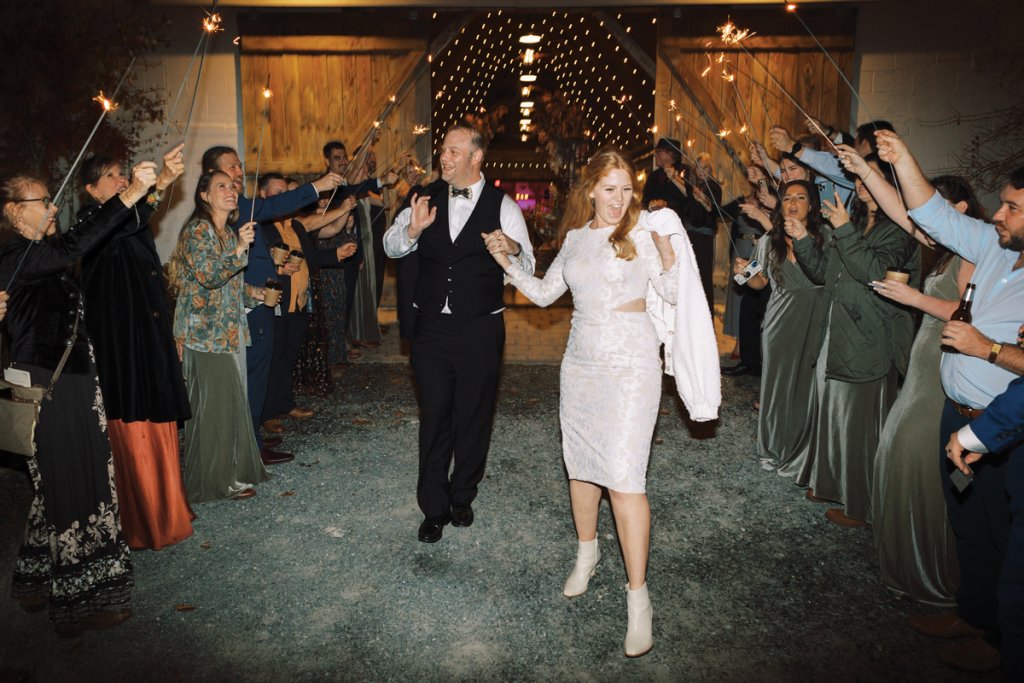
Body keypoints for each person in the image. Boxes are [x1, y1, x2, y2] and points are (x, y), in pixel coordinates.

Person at [486, 146, 718, 657]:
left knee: (626, 479)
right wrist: (506, 263)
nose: (619, 200)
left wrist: (671, 254)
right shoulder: (573, 240)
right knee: (581, 468)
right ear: (591, 189)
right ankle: (586, 554)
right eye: (609, 189)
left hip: (633, 365)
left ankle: (639, 599)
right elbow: (546, 295)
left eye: (626, 190)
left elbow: (676, 296)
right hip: (581, 364)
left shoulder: (641, 233)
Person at [878, 129, 1024, 672]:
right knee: (969, 528)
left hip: (1004, 430)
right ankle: (972, 613)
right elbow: (932, 215)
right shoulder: (993, 245)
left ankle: (999, 645)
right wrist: (902, 158)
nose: (999, 215)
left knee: (1005, 538)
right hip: (954, 412)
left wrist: (986, 349)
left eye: (1011, 207)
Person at [1, 162, 157, 635]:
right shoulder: (15, 258)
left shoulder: (42, 255)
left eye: (51, 199)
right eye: (40, 201)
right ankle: (78, 601)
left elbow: (86, 237)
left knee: (62, 485)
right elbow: (78, 243)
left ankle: (31, 581)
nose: (51, 207)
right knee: (73, 489)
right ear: (13, 212)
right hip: (50, 389)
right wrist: (127, 195)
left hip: (76, 386)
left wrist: (144, 196)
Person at [383, 124, 535, 544]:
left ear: (476, 157)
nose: (444, 158)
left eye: (453, 151)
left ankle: (463, 493)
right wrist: (412, 230)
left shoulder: (503, 205)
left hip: (481, 327)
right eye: (443, 150)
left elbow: (529, 268)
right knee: (435, 415)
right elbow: (390, 246)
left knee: (474, 414)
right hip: (431, 327)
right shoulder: (424, 197)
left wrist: (514, 249)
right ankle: (433, 506)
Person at [853, 169, 984, 607]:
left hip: (944, 365)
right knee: (895, 451)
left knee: (915, 458)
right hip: (924, 359)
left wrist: (913, 299)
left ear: (960, 210)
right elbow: (906, 215)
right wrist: (868, 171)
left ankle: (935, 577)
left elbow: (967, 314)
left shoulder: (973, 252)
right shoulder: (947, 248)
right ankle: (903, 566)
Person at [788, 154, 920, 527]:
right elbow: (824, 274)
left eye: (870, 178)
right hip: (837, 327)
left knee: (860, 424)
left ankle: (861, 506)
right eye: (859, 179)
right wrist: (802, 241)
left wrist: (843, 230)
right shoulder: (857, 223)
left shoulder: (902, 229)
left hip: (870, 336)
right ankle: (831, 485)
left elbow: (876, 275)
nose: (861, 185)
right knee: (833, 412)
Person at [77, 145, 194, 551]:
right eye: (111, 176)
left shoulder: (126, 218)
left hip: (147, 336)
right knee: (136, 420)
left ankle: (169, 506)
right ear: (91, 190)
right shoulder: (88, 223)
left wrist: (157, 188)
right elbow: (123, 223)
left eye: (122, 174)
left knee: (160, 415)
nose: (122, 180)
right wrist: (159, 183)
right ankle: (146, 518)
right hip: (121, 347)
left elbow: (134, 219)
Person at [200, 145, 341, 458]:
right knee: (250, 376)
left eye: (238, 168)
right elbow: (277, 204)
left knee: (259, 374)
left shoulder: (237, 208)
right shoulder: (222, 216)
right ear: (212, 177)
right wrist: (316, 187)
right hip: (246, 307)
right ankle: (249, 447)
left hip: (262, 301)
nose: (238, 174)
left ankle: (254, 439)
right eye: (231, 169)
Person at [168, 171, 269, 502]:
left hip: (227, 335)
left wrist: (255, 294)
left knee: (229, 407)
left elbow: (228, 289)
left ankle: (232, 473)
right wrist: (241, 247)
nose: (231, 191)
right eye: (221, 187)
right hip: (203, 336)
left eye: (233, 186)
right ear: (204, 196)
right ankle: (211, 483)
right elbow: (209, 277)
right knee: (212, 412)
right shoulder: (199, 231)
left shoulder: (225, 234)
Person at [735, 180, 827, 478]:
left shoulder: (824, 237)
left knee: (808, 387)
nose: (793, 203)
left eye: (801, 197)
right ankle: (773, 449)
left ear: (811, 205)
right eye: (787, 198)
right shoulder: (767, 240)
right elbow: (757, 282)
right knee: (776, 387)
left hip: (817, 318)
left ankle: (803, 452)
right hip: (779, 320)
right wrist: (741, 273)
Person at [257, 173, 357, 431]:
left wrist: (337, 253)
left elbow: (311, 257)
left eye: (284, 192)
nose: (283, 197)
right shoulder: (261, 227)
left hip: (298, 303)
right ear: (262, 196)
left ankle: (285, 404)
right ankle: (267, 413)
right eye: (277, 193)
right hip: (275, 304)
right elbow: (256, 263)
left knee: (289, 357)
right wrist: (276, 268)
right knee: (273, 359)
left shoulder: (295, 226)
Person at [948, 374, 1024, 681]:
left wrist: (977, 435)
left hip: (994, 419)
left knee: (1016, 602)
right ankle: (974, 615)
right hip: (993, 424)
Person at [642, 138, 716, 311]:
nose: (655, 155)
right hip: (656, 233)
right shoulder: (654, 176)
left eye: (659, 151)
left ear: (670, 154)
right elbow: (645, 200)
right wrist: (652, 203)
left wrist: (667, 205)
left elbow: (690, 202)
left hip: (681, 233)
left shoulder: (686, 173)